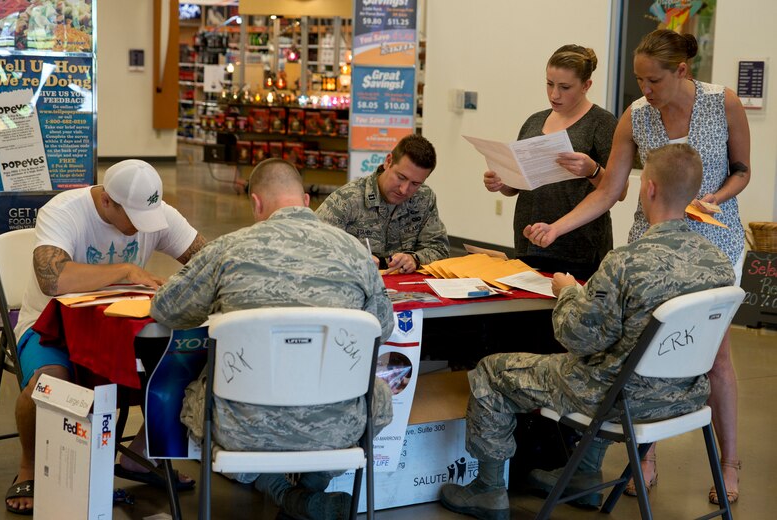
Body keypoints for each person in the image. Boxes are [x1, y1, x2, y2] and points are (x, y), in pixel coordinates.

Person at [439, 144, 735, 520]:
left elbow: (578, 337)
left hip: (621, 399)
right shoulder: (718, 262)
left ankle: (487, 491)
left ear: (650, 189)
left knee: (492, 371)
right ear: (692, 194)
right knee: (612, 363)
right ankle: (582, 474)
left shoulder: (626, 262)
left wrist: (567, 295)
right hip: (686, 398)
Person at [523, 29, 750, 504]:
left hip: (711, 241)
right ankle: (644, 457)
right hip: (649, 244)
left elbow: (742, 169)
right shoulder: (637, 116)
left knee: (717, 357)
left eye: (653, 80)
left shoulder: (720, 103)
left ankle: (729, 463)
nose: (645, 89)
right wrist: (556, 229)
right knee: (641, 352)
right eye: (639, 80)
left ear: (681, 71)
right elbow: (609, 190)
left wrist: (716, 197)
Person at [150, 158, 395, 520]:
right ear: (306, 202)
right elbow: (382, 327)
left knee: (193, 392)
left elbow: (166, 309)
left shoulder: (228, 249)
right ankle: (308, 491)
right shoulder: (357, 254)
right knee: (381, 396)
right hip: (336, 425)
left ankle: (283, 492)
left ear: (256, 202)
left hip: (243, 429)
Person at [5, 159, 206, 515]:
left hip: (118, 327)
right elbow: (53, 280)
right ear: (107, 201)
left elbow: (208, 260)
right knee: (49, 382)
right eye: (133, 218)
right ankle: (30, 467)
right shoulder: (66, 211)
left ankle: (141, 456)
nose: (140, 228)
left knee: (186, 362)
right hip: (50, 328)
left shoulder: (155, 212)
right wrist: (126, 270)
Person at [483, 44, 618, 280]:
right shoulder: (534, 121)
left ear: (586, 86)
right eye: (549, 84)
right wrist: (501, 182)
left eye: (565, 87)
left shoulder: (602, 123)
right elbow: (517, 186)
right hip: (530, 238)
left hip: (580, 246)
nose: (554, 94)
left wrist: (592, 170)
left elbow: (620, 190)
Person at [316, 133, 449, 274]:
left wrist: (414, 259)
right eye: (401, 177)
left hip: (405, 289)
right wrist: (353, 258)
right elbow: (314, 247)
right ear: (388, 161)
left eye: (415, 184)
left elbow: (439, 249)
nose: (404, 190)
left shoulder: (424, 198)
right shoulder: (346, 200)